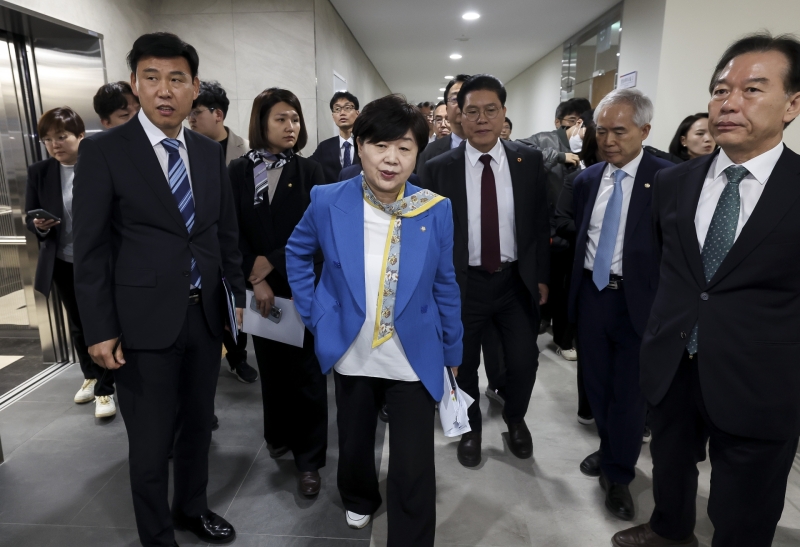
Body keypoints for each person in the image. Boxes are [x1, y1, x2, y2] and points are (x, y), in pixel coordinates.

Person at [613, 32, 800, 547]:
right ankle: (669, 531)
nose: (729, 103)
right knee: (670, 464)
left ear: (792, 104)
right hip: (674, 361)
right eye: (720, 90)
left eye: (752, 89)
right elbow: (668, 270)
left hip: (760, 378)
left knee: (744, 506)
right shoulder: (674, 182)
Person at [72, 32, 245, 547]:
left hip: (203, 316)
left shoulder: (208, 152)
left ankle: (192, 508)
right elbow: (91, 249)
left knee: (197, 427)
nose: (164, 90)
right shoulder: (104, 150)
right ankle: (156, 535)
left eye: (176, 79)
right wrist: (99, 329)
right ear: (135, 84)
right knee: (149, 444)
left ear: (194, 88)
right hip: (140, 322)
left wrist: (233, 300)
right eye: (152, 78)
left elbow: (223, 235)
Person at [286, 94, 463, 545]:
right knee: (355, 438)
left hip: (413, 352)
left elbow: (445, 283)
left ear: (417, 154)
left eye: (404, 147)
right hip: (352, 346)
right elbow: (297, 252)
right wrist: (315, 313)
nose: (391, 158)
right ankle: (359, 496)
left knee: (414, 462)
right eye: (380, 145)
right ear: (360, 146)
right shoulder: (328, 200)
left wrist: (453, 348)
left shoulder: (434, 208)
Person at [420, 75, 550, 468]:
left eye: (490, 110)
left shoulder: (528, 161)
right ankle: (471, 428)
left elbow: (538, 223)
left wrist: (541, 276)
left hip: (514, 281)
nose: (481, 119)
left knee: (524, 360)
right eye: (472, 111)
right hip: (463, 284)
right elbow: (429, 234)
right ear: (458, 116)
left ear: (503, 113)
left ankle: (515, 418)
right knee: (463, 363)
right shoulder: (438, 168)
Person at [566, 89, 674, 522]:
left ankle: (619, 474)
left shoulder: (667, 179)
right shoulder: (587, 179)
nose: (608, 140)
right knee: (596, 386)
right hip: (593, 296)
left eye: (619, 131)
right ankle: (610, 449)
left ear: (645, 131)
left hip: (639, 302)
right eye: (601, 131)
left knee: (629, 394)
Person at [228, 87, 329, 497]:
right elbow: (228, 230)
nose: (291, 126)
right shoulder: (238, 171)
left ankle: (310, 460)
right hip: (259, 291)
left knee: (307, 375)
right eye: (281, 118)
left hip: (300, 286)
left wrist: (270, 262)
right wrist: (254, 276)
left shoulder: (311, 172)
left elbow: (319, 233)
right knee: (271, 370)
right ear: (261, 122)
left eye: (295, 118)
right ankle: (279, 435)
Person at [25, 107, 116, 419]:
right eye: (47, 139)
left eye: (61, 136)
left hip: (102, 261)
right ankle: (91, 376)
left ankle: (106, 388)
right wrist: (38, 224)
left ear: (80, 135)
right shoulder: (40, 171)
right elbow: (29, 215)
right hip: (64, 260)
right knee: (78, 323)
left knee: (102, 322)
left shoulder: (100, 165)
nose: (55, 144)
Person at [189, 80, 257, 385]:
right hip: (202, 244)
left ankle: (238, 357)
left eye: (197, 113)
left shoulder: (246, 150)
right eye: (190, 114)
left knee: (236, 301)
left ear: (218, 114)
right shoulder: (185, 151)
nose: (191, 119)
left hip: (237, 241)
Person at [518, 97, 590, 359]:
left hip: (573, 230)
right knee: (543, 285)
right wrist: (559, 156)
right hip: (547, 230)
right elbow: (518, 149)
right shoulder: (545, 139)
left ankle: (563, 338)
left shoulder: (591, 148)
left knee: (566, 290)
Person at [555, 112, 600, 426]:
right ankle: (589, 406)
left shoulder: (655, 175)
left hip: (634, 283)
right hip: (585, 274)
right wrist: (595, 229)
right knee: (592, 351)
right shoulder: (579, 180)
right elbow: (562, 220)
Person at [415, 74, 471, 172]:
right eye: (455, 99)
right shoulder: (428, 152)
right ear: (447, 108)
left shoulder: (490, 146)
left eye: (467, 98)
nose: (461, 104)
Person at [310, 91, 360, 183]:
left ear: (357, 113)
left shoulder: (366, 144)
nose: (342, 113)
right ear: (333, 116)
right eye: (337, 109)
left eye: (347, 108)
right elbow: (307, 166)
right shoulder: (324, 147)